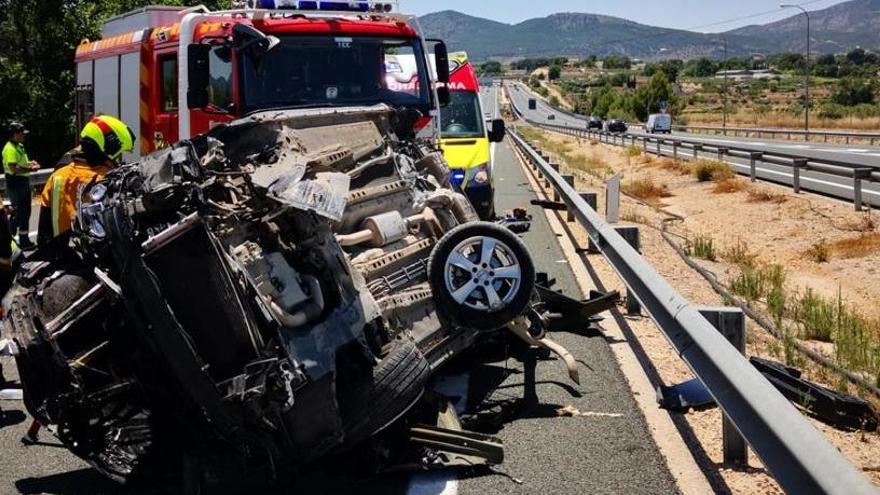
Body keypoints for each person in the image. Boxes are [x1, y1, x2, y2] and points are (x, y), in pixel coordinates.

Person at [38, 115, 134, 247]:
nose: (117, 161)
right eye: (117, 155)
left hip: (57, 254)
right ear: (106, 148)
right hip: (95, 257)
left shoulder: (58, 175)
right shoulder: (105, 179)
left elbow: (44, 231)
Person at [2, 122, 40, 249]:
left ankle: (24, 240)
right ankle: (9, 241)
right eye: (22, 133)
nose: (24, 136)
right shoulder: (9, 149)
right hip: (15, 182)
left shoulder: (19, 146)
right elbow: (14, 168)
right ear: (15, 134)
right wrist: (31, 169)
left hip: (22, 182)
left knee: (25, 212)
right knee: (18, 213)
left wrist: (30, 163)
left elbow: (21, 162)